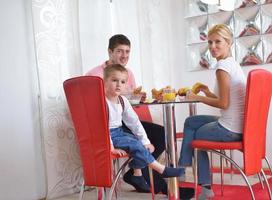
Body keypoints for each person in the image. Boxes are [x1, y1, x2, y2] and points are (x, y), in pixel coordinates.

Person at [87, 34, 195, 199]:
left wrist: (138, 98)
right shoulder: (94, 74)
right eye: (119, 51)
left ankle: (136, 172)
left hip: (122, 119)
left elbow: (129, 105)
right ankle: (164, 187)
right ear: (109, 52)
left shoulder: (128, 73)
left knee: (162, 134)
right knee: (136, 143)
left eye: (127, 52)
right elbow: (88, 106)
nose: (124, 56)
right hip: (105, 124)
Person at [178, 24, 246, 200]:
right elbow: (225, 100)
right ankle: (183, 167)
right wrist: (208, 93)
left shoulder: (222, 67)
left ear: (229, 42)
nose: (213, 46)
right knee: (191, 122)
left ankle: (202, 186)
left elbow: (223, 103)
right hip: (238, 126)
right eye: (210, 42)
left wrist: (198, 97)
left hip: (229, 129)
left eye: (218, 42)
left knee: (196, 137)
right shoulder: (233, 65)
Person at [103, 64, 185, 192]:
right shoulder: (103, 102)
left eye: (122, 81)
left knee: (139, 142)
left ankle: (137, 175)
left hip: (119, 132)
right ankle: (161, 169)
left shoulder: (123, 100)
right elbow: (101, 127)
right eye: (114, 80)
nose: (119, 84)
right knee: (134, 144)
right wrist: (110, 147)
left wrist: (145, 141)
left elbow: (134, 122)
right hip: (107, 135)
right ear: (105, 81)